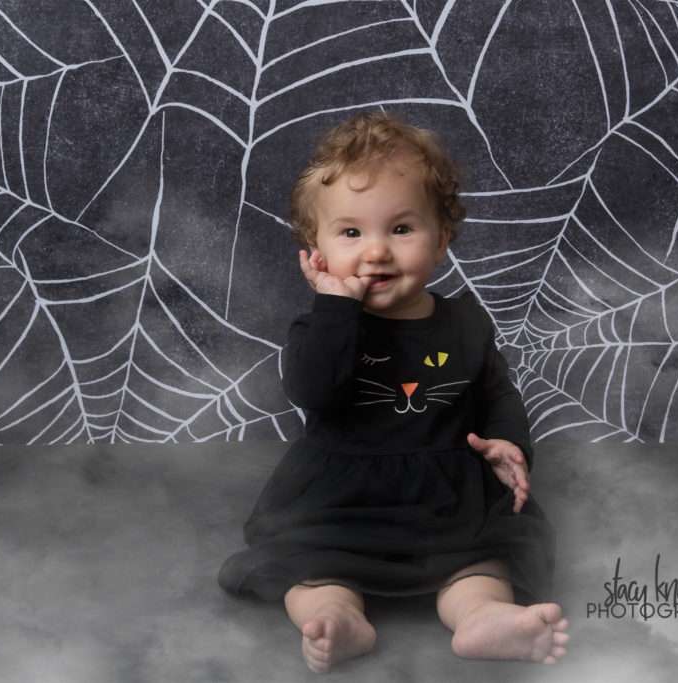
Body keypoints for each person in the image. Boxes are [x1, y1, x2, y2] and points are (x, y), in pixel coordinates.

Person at [218, 111, 569, 673]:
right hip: (338, 502)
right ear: (317, 253)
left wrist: (509, 443)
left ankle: (481, 618)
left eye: (401, 229)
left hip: (450, 496)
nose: (376, 251)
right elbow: (315, 392)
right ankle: (337, 618)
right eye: (351, 233)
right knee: (310, 569)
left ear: (442, 240)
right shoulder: (319, 329)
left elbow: (497, 392)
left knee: (483, 562)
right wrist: (335, 305)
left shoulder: (466, 323)